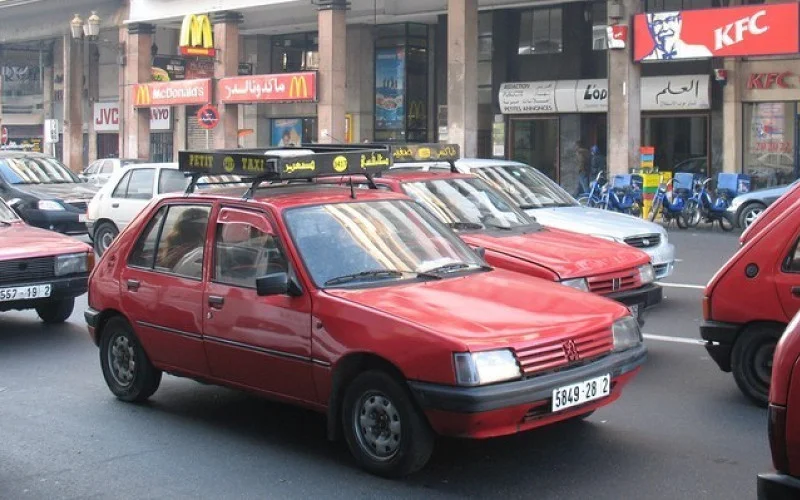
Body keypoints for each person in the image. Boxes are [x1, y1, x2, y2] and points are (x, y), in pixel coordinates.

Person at [643, 11, 712, 61]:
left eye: (670, 19)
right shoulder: (645, 60)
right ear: (650, 28)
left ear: (679, 22)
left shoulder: (701, 52)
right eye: (658, 23)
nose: (665, 28)